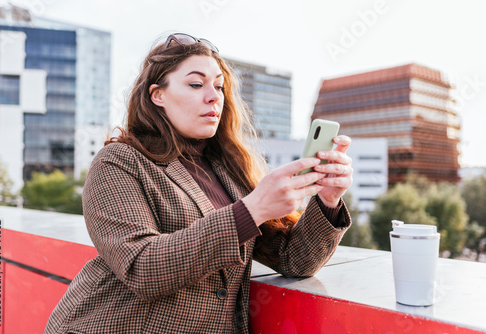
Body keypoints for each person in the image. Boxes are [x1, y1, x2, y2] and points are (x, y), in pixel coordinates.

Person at [44, 33, 353, 334]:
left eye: (218, 86)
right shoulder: (119, 161)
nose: (213, 96)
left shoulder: (228, 171)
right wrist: (251, 210)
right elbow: (141, 268)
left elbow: (294, 260)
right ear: (158, 95)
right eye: (196, 84)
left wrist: (327, 200)